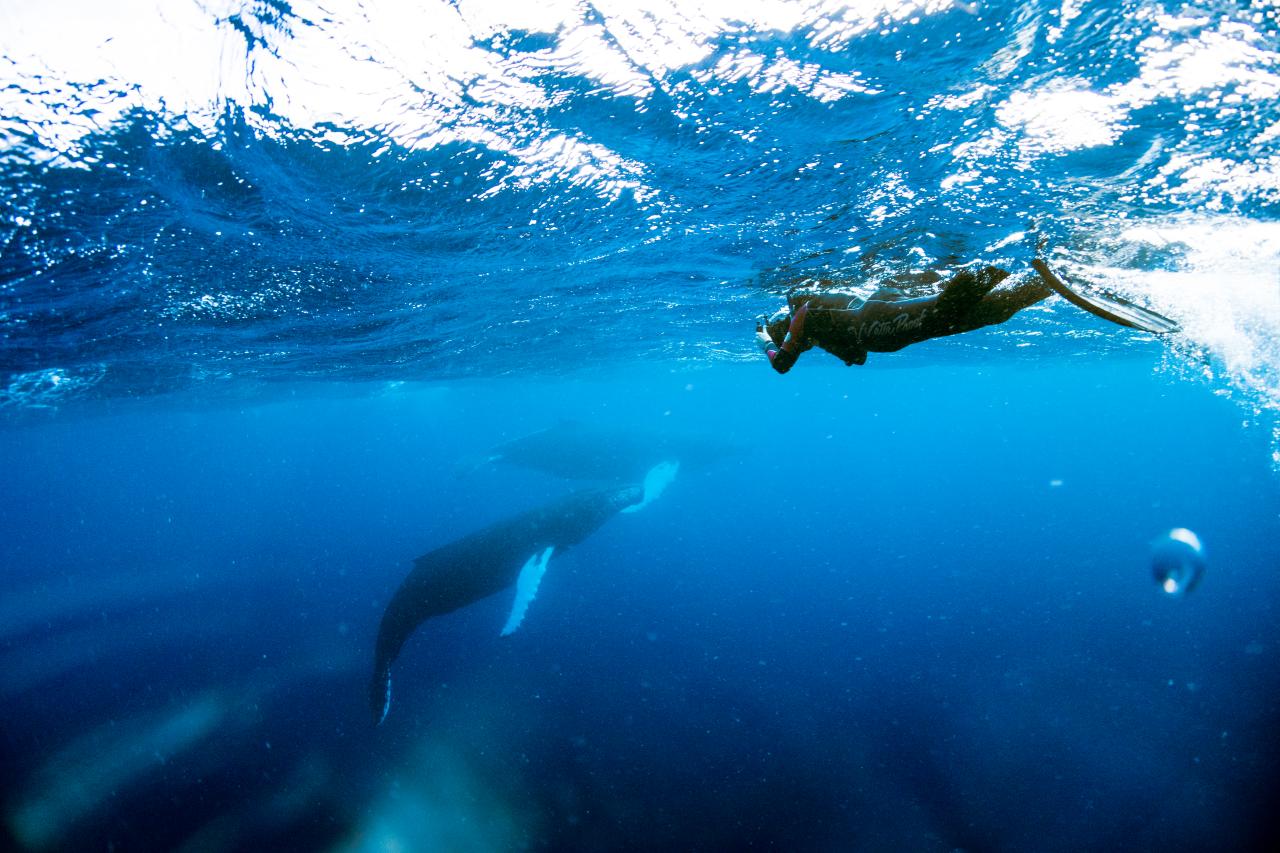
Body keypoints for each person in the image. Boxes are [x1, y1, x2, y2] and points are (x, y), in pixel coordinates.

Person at [754, 258, 1178, 373]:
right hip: (883, 326)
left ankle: (1001, 259)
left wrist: (768, 344)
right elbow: (854, 358)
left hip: (880, 322)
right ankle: (1044, 280)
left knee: (947, 308)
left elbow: (785, 359)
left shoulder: (801, 312)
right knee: (992, 313)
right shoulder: (813, 327)